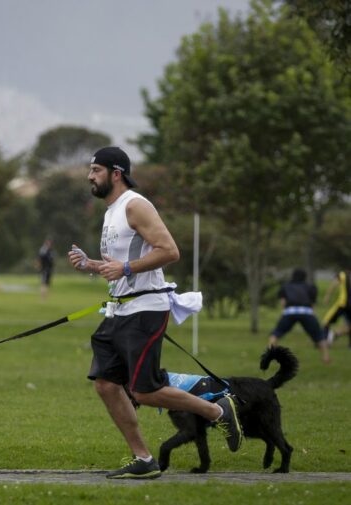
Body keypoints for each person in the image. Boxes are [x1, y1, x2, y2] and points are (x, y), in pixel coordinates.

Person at [67, 146, 243, 480]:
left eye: (96, 170)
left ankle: (216, 409)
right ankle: (143, 458)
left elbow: (170, 251)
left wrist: (128, 267)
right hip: (119, 311)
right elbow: (119, 266)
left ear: (116, 173)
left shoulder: (135, 205)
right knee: (105, 384)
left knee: (144, 391)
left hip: (145, 310)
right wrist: (91, 264)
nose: (90, 176)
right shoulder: (112, 211)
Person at [268, 268, 329, 363]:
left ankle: (270, 356)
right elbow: (312, 304)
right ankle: (326, 357)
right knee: (319, 335)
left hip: (290, 311)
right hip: (306, 312)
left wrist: (286, 313)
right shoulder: (310, 287)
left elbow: (283, 303)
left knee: (276, 333)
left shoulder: (286, 286)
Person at [321, 269, 350, 348]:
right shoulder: (343, 275)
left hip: (342, 304)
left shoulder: (343, 274)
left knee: (326, 321)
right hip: (344, 304)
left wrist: (327, 296)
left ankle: (326, 340)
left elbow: (334, 284)